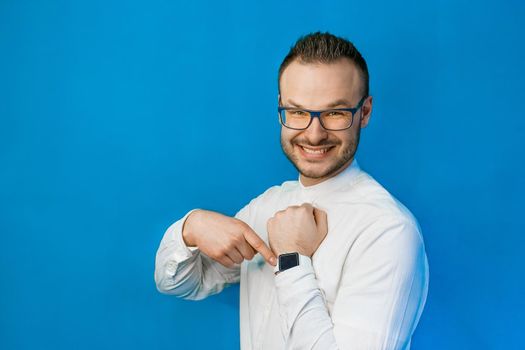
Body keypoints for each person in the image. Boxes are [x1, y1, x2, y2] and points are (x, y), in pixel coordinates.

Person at [154, 32, 429, 350]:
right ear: (280, 110)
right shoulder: (266, 206)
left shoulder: (388, 230)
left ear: (364, 113)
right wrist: (191, 228)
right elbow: (177, 282)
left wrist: (292, 260)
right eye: (298, 112)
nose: (314, 134)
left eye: (334, 113)